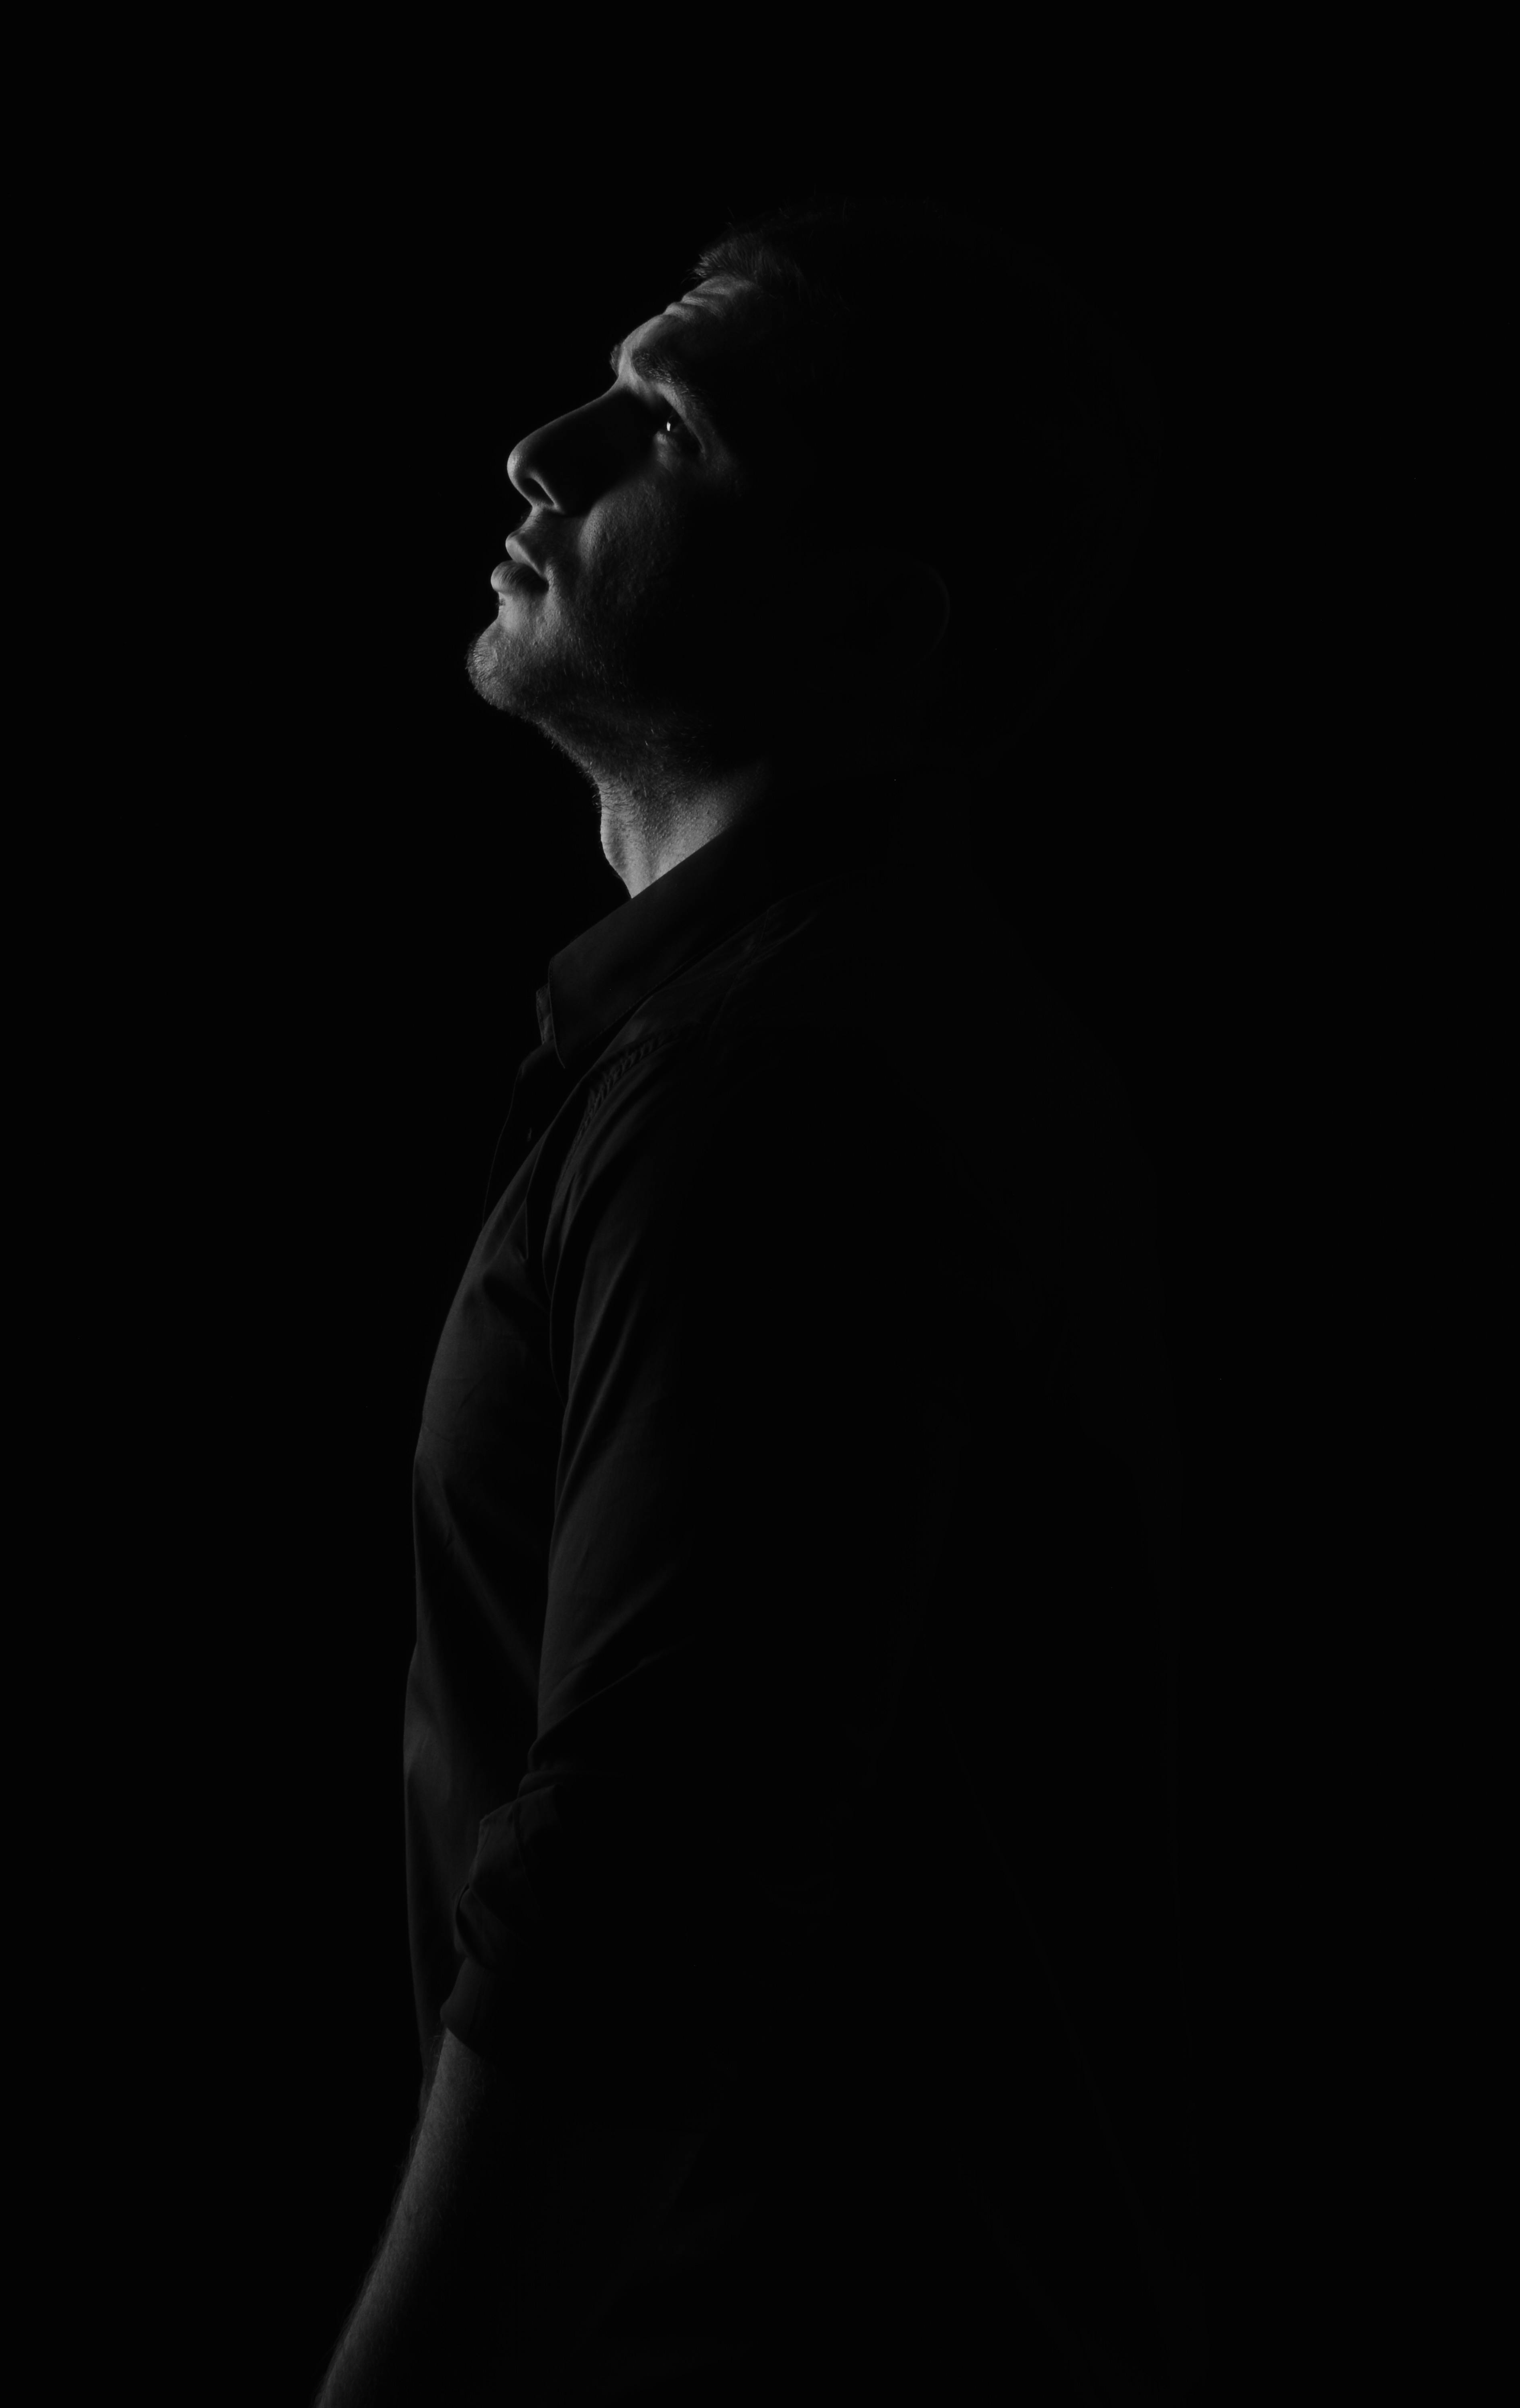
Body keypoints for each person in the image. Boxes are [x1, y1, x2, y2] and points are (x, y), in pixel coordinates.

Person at [315, 191, 1211, 2405]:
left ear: (874, 629)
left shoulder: (778, 1095)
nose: (540, 453)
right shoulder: (767, 1045)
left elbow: (638, 1887)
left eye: (663, 430)